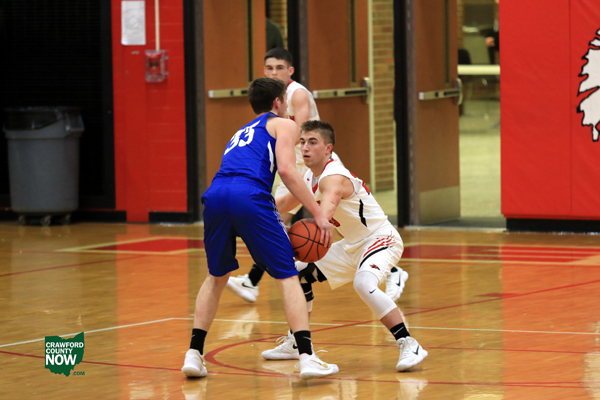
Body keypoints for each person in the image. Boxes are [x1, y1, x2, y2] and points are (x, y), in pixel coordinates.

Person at [181, 77, 338, 380]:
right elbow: (288, 171)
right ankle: (307, 357)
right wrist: (318, 213)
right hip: (249, 195)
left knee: (216, 276)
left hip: (215, 195)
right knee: (287, 275)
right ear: (279, 102)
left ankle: (193, 353)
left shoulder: (240, 132)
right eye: (285, 101)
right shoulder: (285, 124)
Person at [226, 48, 408, 304]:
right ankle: (253, 280)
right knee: (279, 219)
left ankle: (253, 280)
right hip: (297, 166)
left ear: (290, 71)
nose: (274, 72)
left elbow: (298, 132)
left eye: (279, 68)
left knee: (312, 222)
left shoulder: (297, 94)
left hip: (313, 165)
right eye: (269, 68)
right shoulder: (271, 99)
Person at [262, 120, 427, 372]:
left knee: (363, 283)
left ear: (328, 149)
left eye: (313, 142)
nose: (305, 148)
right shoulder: (309, 176)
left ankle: (409, 343)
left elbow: (326, 210)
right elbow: (284, 204)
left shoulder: (334, 176)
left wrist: (304, 228)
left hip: (380, 238)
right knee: (298, 273)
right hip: (351, 245)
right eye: (302, 142)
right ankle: (296, 342)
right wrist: (253, 214)